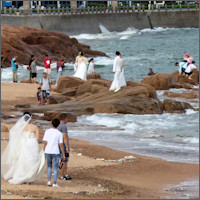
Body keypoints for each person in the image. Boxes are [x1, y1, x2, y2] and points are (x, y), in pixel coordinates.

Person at [1, 112, 45, 184]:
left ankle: (21, 175)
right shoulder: (34, 127)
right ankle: (29, 177)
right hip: (32, 143)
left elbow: (14, 133)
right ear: (31, 119)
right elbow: (37, 138)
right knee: (32, 160)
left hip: (23, 143)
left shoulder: (21, 126)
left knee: (22, 159)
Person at [43, 119, 66, 188]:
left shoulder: (47, 131)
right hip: (55, 151)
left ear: (51, 123)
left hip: (48, 151)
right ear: (58, 125)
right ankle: (54, 183)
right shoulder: (59, 133)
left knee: (49, 166)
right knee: (56, 168)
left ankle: (49, 181)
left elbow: (45, 142)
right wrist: (63, 154)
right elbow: (61, 144)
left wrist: (44, 149)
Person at [57, 114, 72, 181]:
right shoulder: (63, 127)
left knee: (62, 160)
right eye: (67, 118)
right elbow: (65, 137)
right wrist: (67, 147)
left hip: (58, 145)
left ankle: (64, 174)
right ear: (65, 118)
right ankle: (62, 175)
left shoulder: (57, 126)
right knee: (64, 160)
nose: (68, 120)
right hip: (63, 145)